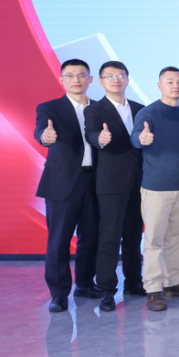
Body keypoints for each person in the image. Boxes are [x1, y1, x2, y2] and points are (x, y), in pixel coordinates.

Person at [132, 67, 179, 311]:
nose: (175, 85)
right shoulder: (148, 112)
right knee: (154, 240)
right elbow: (136, 137)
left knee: (176, 237)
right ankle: (153, 289)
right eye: (170, 81)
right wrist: (141, 139)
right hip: (156, 188)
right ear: (159, 85)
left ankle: (173, 282)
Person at [34, 59, 100, 312]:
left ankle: (85, 284)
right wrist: (44, 136)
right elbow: (41, 130)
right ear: (62, 80)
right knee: (59, 240)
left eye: (81, 75)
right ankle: (59, 294)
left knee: (91, 237)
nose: (76, 80)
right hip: (62, 182)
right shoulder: (49, 107)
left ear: (90, 79)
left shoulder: (100, 108)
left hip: (96, 181)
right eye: (70, 75)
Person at [84, 60, 145, 311]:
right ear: (101, 82)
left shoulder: (141, 109)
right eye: (110, 76)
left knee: (133, 236)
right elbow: (90, 133)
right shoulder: (95, 110)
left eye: (120, 75)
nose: (116, 79)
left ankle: (134, 282)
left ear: (127, 79)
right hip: (110, 183)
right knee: (109, 237)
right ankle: (106, 290)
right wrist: (100, 139)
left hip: (139, 182)